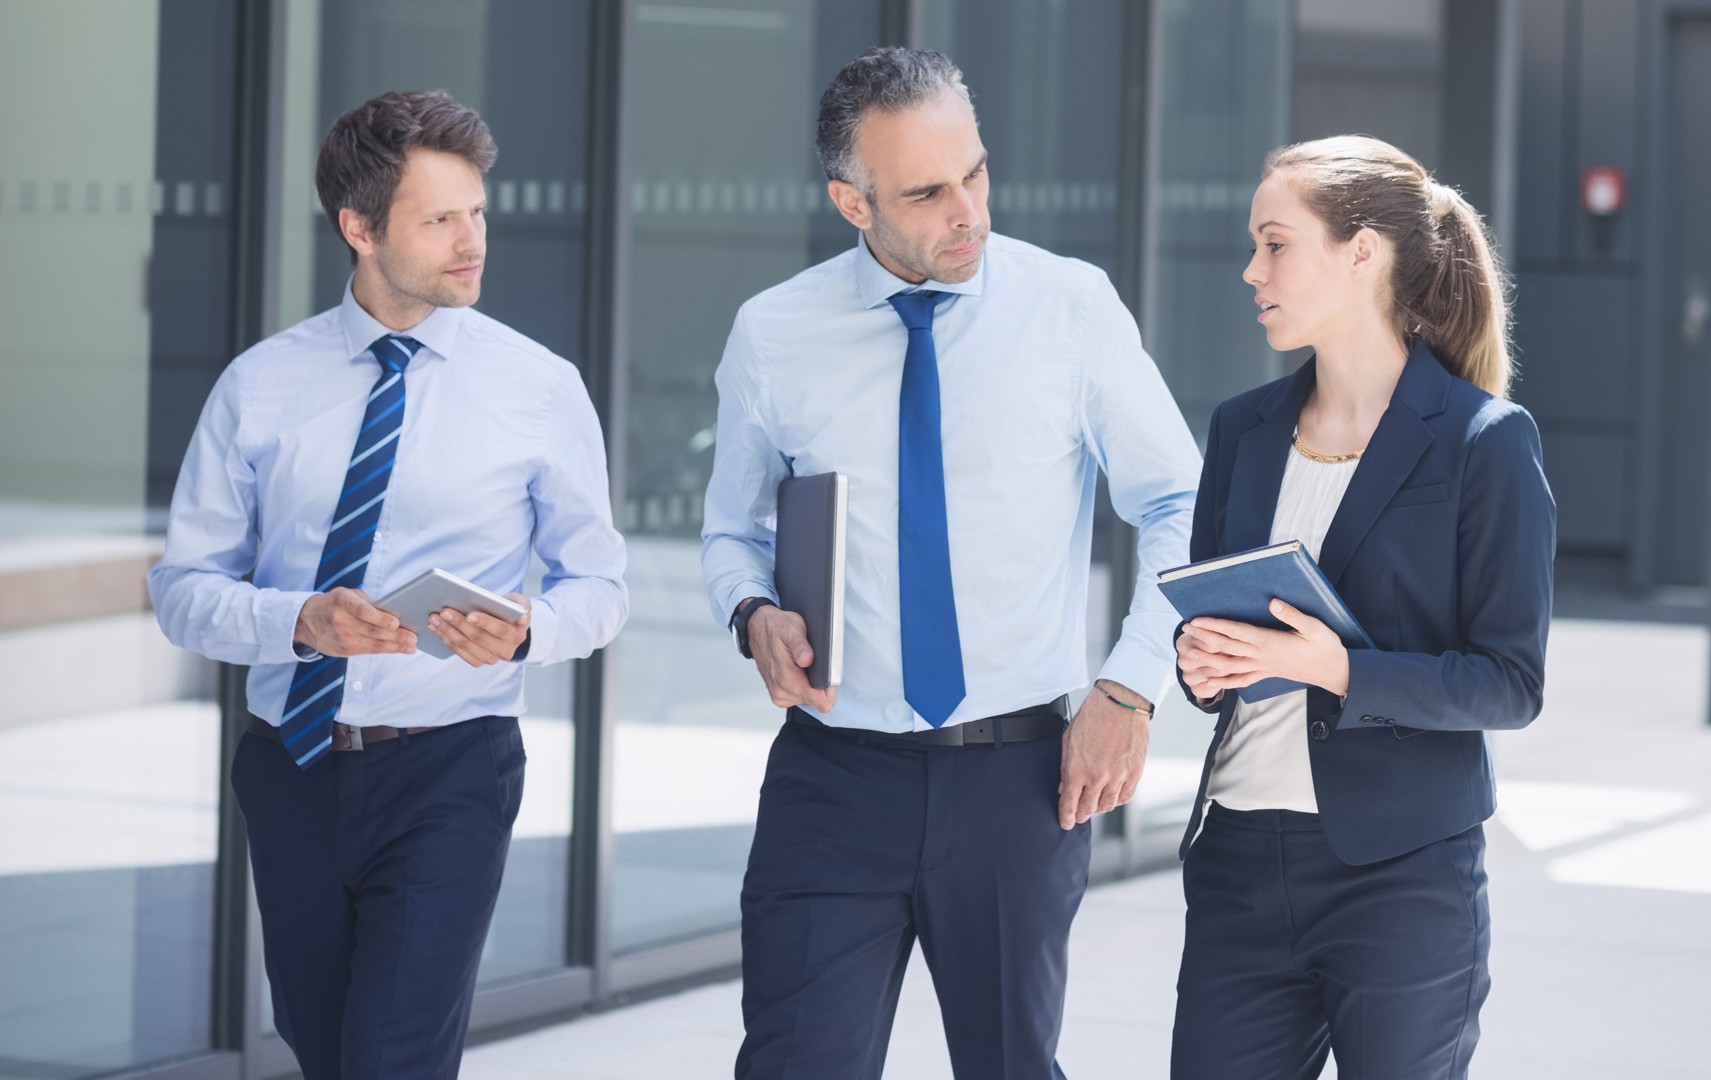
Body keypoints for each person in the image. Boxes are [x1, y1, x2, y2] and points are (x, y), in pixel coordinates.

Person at [701, 46, 1201, 1080]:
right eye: (926, 192)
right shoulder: (774, 334)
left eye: (974, 172)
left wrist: (1130, 687)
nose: (966, 209)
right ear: (852, 201)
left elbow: (1180, 503)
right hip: (834, 778)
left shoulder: (1070, 309)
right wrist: (753, 611)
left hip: (1021, 780)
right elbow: (731, 532)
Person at [148, 90, 628, 1080]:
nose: (473, 242)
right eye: (440, 219)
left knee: (394, 1058)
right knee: (325, 1049)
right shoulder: (259, 386)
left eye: (478, 213)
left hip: (453, 767)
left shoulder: (538, 388)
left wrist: (531, 628)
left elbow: (602, 584)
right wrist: (302, 621)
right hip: (293, 768)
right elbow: (183, 588)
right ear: (358, 228)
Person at [1167, 135, 1555, 1079]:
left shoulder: (1483, 442)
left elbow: (1510, 683)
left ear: (1362, 251)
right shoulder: (1241, 429)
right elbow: (1215, 635)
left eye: (1275, 244)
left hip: (1403, 878)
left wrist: (1331, 666)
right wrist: (1203, 665)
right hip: (1240, 860)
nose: (1251, 270)